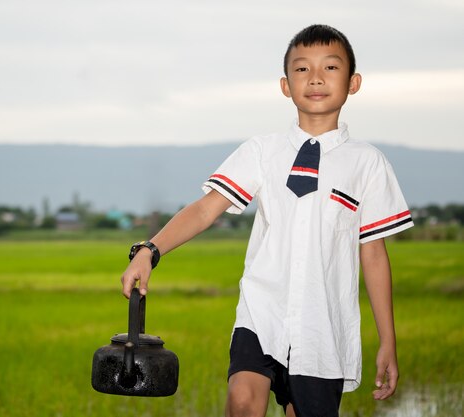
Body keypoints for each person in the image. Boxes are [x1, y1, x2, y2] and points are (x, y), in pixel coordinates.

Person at [121, 24, 413, 417]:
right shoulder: (263, 151)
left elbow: (374, 254)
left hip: (322, 330)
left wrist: (388, 341)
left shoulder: (368, 163)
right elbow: (207, 208)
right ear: (285, 85)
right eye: (301, 69)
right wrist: (149, 250)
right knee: (243, 401)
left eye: (330, 67)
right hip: (262, 313)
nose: (315, 78)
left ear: (353, 82)